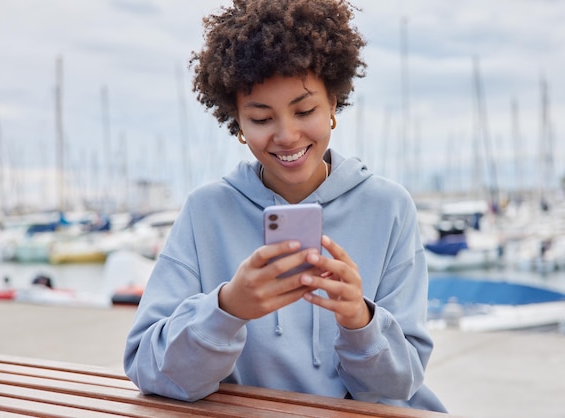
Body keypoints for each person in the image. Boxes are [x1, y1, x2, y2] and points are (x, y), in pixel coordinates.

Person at [123, 0, 446, 412]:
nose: (287, 135)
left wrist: (360, 322)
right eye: (261, 118)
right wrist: (226, 309)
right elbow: (148, 369)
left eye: (305, 110)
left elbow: (400, 384)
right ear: (237, 123)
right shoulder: (205, 211)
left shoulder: (389, 208)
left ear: (333, 104)